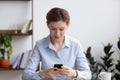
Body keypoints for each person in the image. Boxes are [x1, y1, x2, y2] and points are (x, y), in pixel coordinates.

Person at [22, 7, 91, 80]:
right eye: (53, 29)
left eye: (61, 29)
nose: (57, 34)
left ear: (67, 25)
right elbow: (25, 75)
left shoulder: (75, 45)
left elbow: (88, 75)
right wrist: (43, 74)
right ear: (48, 25)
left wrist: (74, 73)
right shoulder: (40, 45)